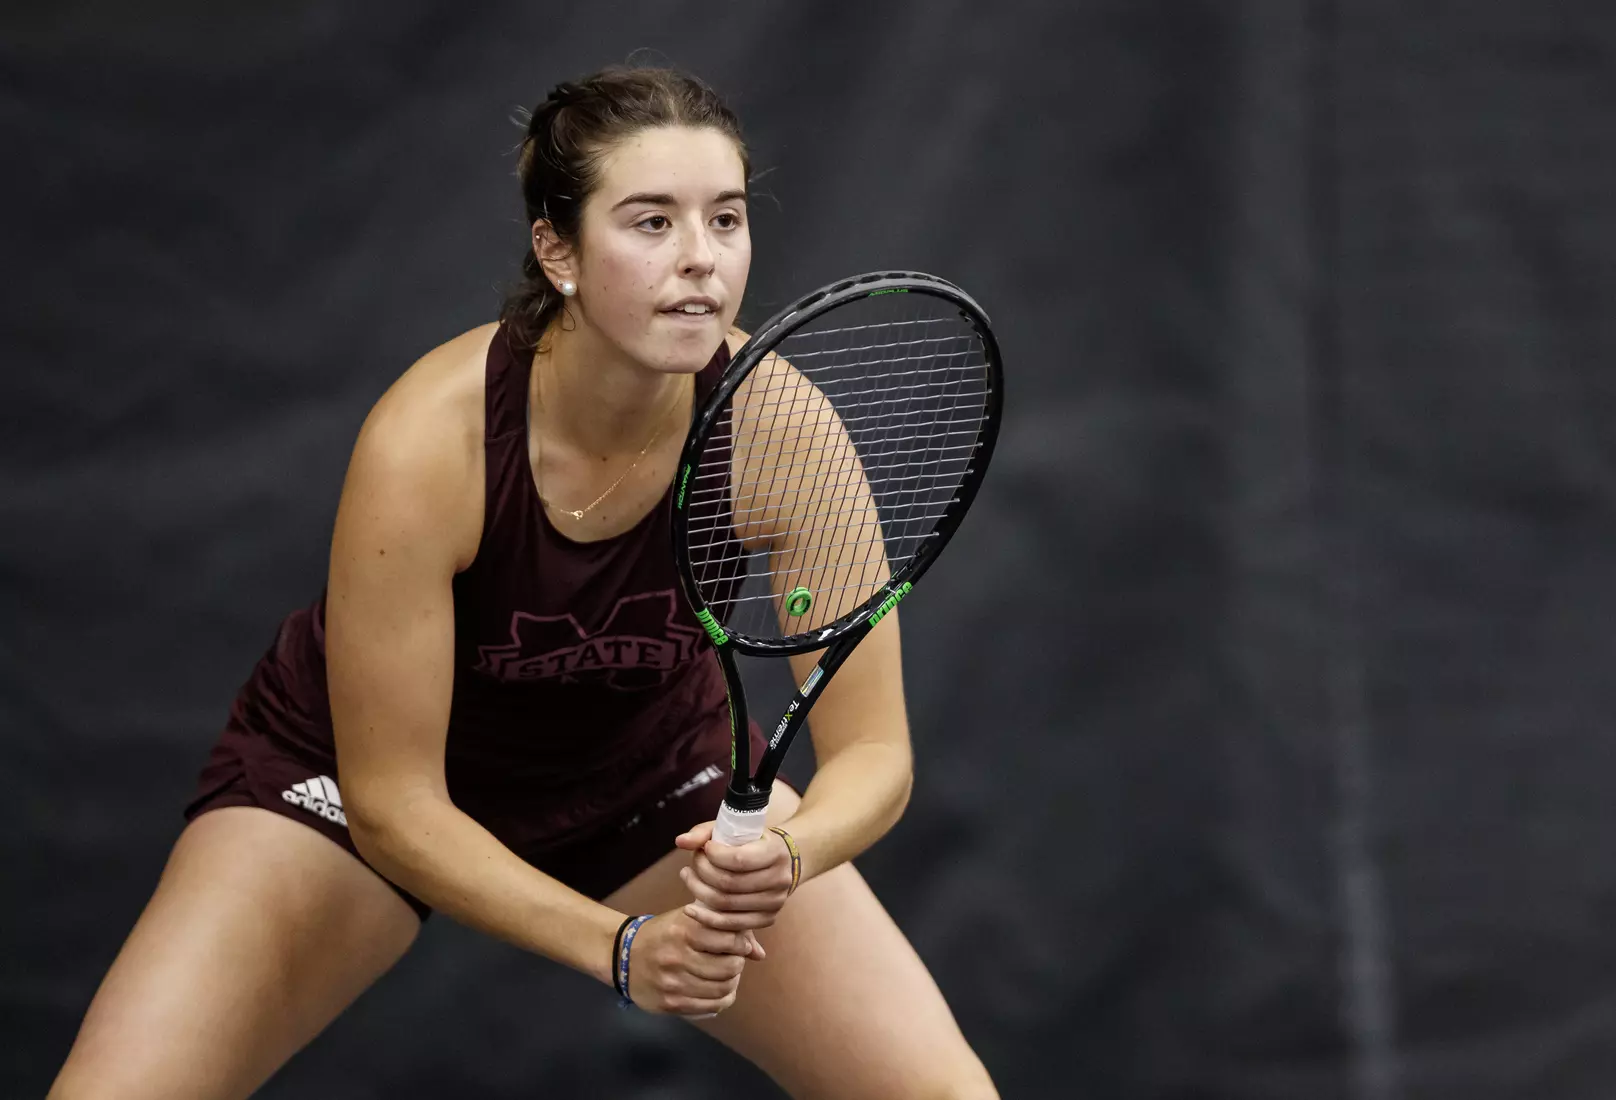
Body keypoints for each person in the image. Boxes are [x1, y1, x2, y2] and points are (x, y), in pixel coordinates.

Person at [48, 65, 997, 1100]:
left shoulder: (779, 429)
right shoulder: (430, 440)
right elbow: (395, 802)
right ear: (559, 251)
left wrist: (790, 849)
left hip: (646, 779)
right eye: (652, 222)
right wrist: (622, 948)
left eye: (725, 218)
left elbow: (875, 753)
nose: (701, 257)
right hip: (353, 784)